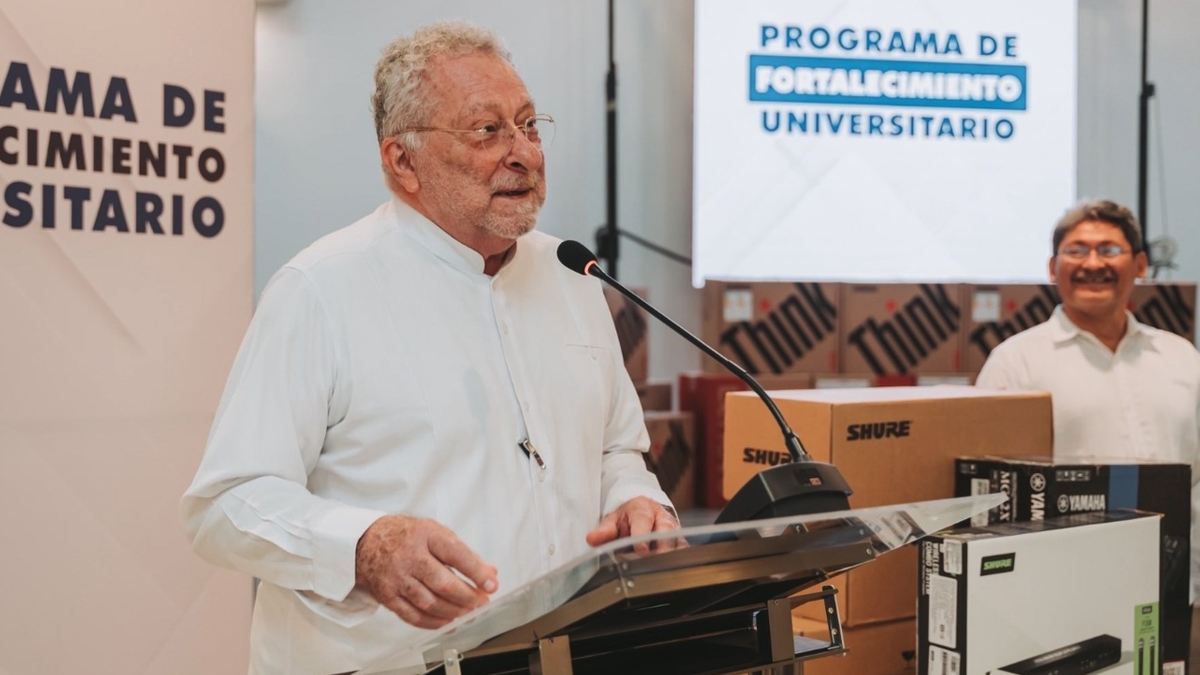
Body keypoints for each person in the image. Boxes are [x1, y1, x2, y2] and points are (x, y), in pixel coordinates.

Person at [181, 21, 677, 675]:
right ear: (403, 161)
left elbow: (618, 450)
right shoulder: (320, 290)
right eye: (487, 131)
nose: (522, 153)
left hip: (564, 655)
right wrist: (363, 545)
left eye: (529, 125)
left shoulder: (570, 274)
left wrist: (637, 503)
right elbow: (224, 502)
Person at [975, 198, 1200, 593]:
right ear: (1052, 267)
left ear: (1141, 265)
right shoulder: (1016, 362)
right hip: (1061, 587)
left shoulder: (1181, 356)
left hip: (1178, 582)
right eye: (1076, 251)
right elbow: (990, 492)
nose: (1093, 264)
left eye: (1110, 250)